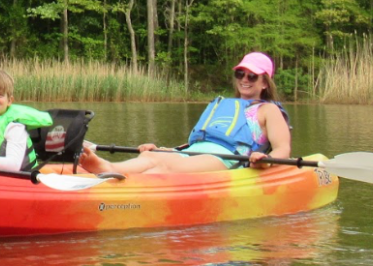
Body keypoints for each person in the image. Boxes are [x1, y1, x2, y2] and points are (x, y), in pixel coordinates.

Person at [79, 52, 292, 174]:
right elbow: (201, 141)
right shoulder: (224, 105)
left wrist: (267, 159)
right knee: (153, 154)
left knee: (166, 165)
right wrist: (169, 149)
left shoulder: (268, 110)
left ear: (265, 82)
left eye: (252, 76)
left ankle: (111, 174)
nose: (244, 79)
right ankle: (109, 168)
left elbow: (283, 148)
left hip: (227, 159)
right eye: (240, 73)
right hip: (193, 152)